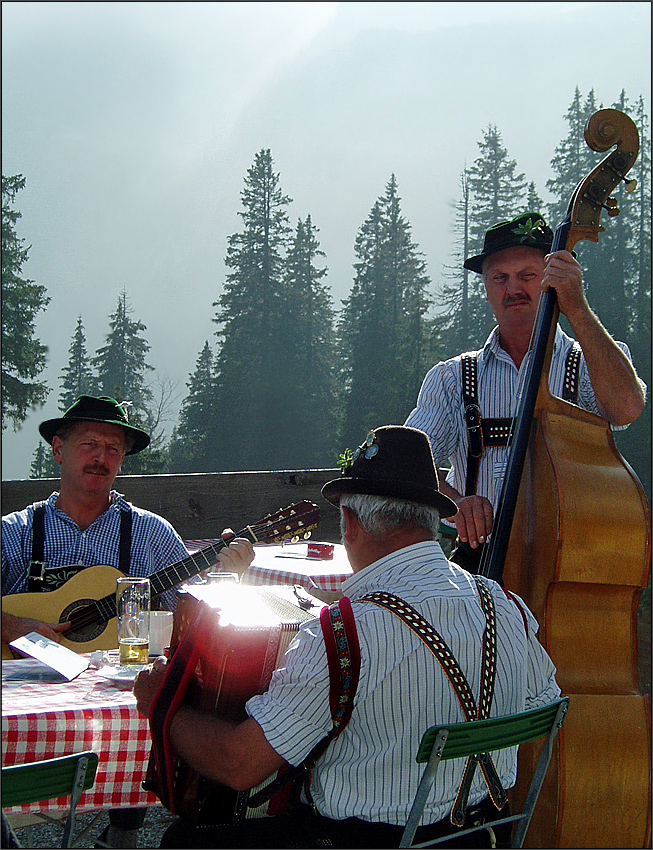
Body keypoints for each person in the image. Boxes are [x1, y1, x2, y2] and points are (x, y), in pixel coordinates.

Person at [134, 425, 560, 849]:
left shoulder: (344, 634)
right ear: (433, 523)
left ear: (350, 523)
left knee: (186, 839)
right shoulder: (505, 605)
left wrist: (161, 703)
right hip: (485, 836)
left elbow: (238, 765)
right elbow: (543, 705)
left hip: (359, 840)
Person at [1, 394, 255, 849]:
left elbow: (192, 614)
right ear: (58, 450)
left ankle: (124, 832)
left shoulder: (149, 532)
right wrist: (13, 626)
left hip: (112, 705)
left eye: (113, 448)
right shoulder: (16, 531)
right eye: (89, 444)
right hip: (27, 702)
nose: (101, 457)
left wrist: (230, 577)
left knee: (165, 699)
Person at [405, 212, 647, 569]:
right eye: (499, 278)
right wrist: (455, 503)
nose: (513, 288)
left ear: (553, 280)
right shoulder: (452, 378)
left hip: (574, 564)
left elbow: (627, 408)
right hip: (480, 564)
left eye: (528, 276)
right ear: (486, 288)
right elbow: (406, 462)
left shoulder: (590, 360)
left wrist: (576, 306)